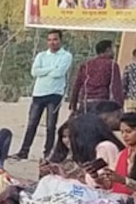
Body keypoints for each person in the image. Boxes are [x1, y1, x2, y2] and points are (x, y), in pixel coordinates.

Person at [14, 30, 73, 160]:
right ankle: (24, 151)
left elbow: (59, 73)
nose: (52, 42)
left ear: (60, 40)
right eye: (50, 40)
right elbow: (34, 72)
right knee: (31, 124)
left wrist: (45, 71)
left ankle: (48, 154)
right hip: (39, 93)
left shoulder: (66, 56)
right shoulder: (41, 55)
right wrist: (52, 69)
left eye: (55, 39)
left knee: (51, 126)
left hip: (55, 94)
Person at [94, 111, 136, 200]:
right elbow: (111, 186)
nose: (124, 136)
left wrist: (124, 180)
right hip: (121, 202)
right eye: (122, 132)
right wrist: (96, 177)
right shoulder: (122, 154)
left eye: (128, 131)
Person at [69, 39, 123, 114]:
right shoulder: (112, 65)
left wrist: (73, 104)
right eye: (112, 49)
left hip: (85, 103)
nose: (113, 52)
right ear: (108, 50)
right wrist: (119, 107)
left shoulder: (86, 64)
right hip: (102, 104)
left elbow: (77, 85)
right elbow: (116, 87)